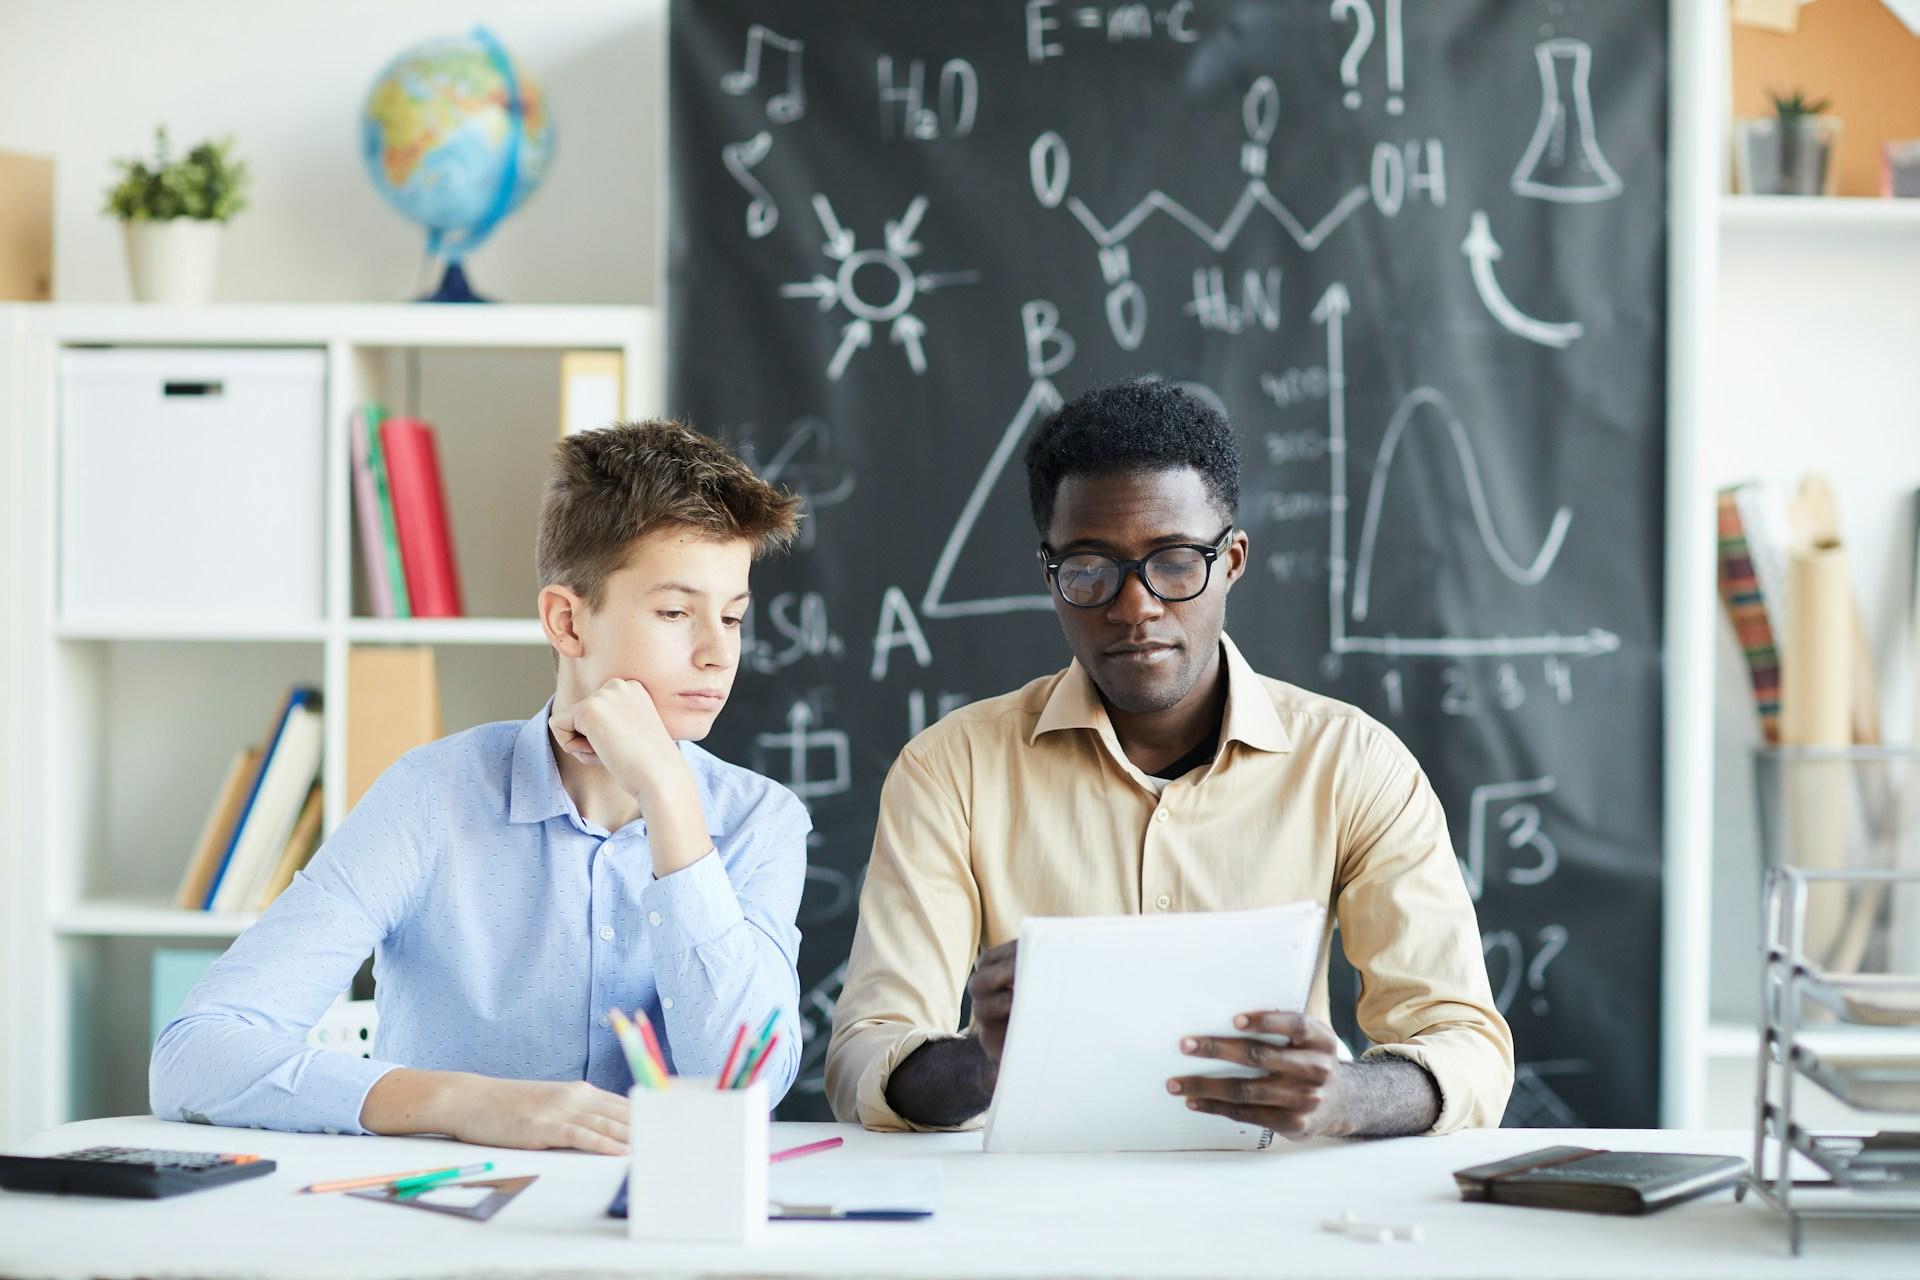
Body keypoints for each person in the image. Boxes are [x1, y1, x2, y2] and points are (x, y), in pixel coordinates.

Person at [827, 378, 1512, 1139]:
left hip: (1278, 1215)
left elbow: (1466, 1045)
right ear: (1046, 574)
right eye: (1089, 567)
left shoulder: (1354, 764)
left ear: (1234, 561)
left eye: (1176, 561)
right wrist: (985, 1066)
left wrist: (1345, 1097)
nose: (1135, 606)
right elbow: (865, 1053)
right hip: (1035, 1222)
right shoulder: (951, 769)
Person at [152, 421, 808, 1154]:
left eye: (732, 617)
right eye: (675, 613)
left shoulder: (760, 821)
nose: (718, 654)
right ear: (567, 621)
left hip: (670, 1234)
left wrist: (669, 798)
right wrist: (465, 1102)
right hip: (450, 1228)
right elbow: (194, 1055)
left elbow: (740, 1088)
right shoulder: (431, 796)